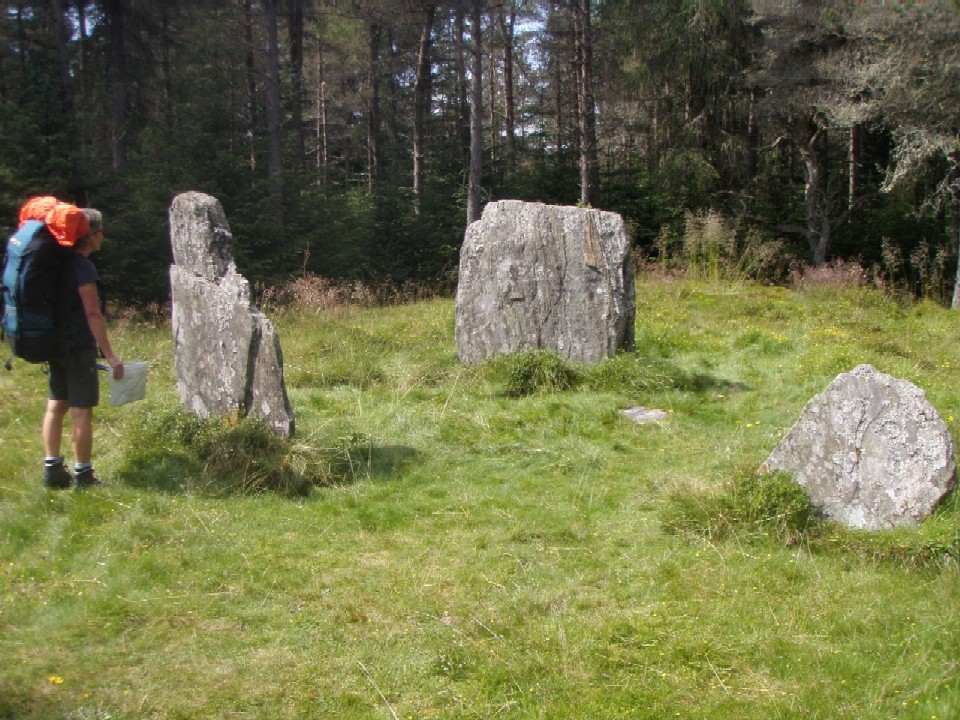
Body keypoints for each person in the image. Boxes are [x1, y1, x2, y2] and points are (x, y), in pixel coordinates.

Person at [42, 208, 123, 489]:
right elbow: (93, 314)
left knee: (56, 405)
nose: (103, 237)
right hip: (78, 346)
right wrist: (109, 355)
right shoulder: (83, 267)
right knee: (81, 411)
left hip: (54, 344)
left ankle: (52, 469)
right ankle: (84, 474)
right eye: (101, 232)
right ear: (91, 235)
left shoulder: (57, 262)